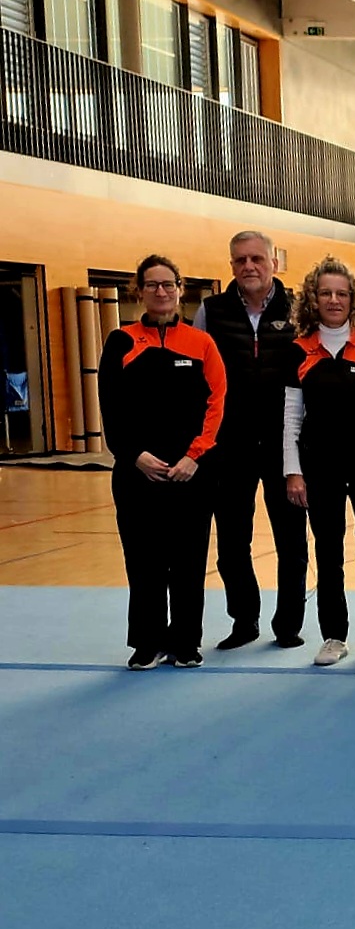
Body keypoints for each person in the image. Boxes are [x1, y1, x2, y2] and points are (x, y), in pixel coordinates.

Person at [99, 255, 225, 670]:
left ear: (180, 289)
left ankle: (186, 642)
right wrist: (134, 455)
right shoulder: (121, 341)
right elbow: (110, 407)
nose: (161, 291)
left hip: (191, 473)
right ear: (138, 291)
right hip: (138, 474)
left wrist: (194, 455)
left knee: (188, 561)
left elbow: (217, 403)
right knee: (144, 561)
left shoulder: (201, 343)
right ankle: (147, 642)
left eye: (168, 284)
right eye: (151, 284)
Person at [280, 257, 355, 669]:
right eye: (326, 293)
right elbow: (291, 418)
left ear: (353, 300)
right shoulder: (300, 351)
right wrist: (293, 471)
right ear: (313, 300)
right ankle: (334, 635)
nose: (334, 300)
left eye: (342, 294)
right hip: (320, 466)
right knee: (328, 551)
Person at [194, 230, 307, 651]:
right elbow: (197, 377)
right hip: (230, 446)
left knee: (291, 542)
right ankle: (244, 620)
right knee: (231, 543)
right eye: (240, 260)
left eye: (257, 258)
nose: (249, 267)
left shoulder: (299, 309)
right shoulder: (211, 311)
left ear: (274, 262)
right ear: (231, 266)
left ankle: (288, 625)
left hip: (286, 446)